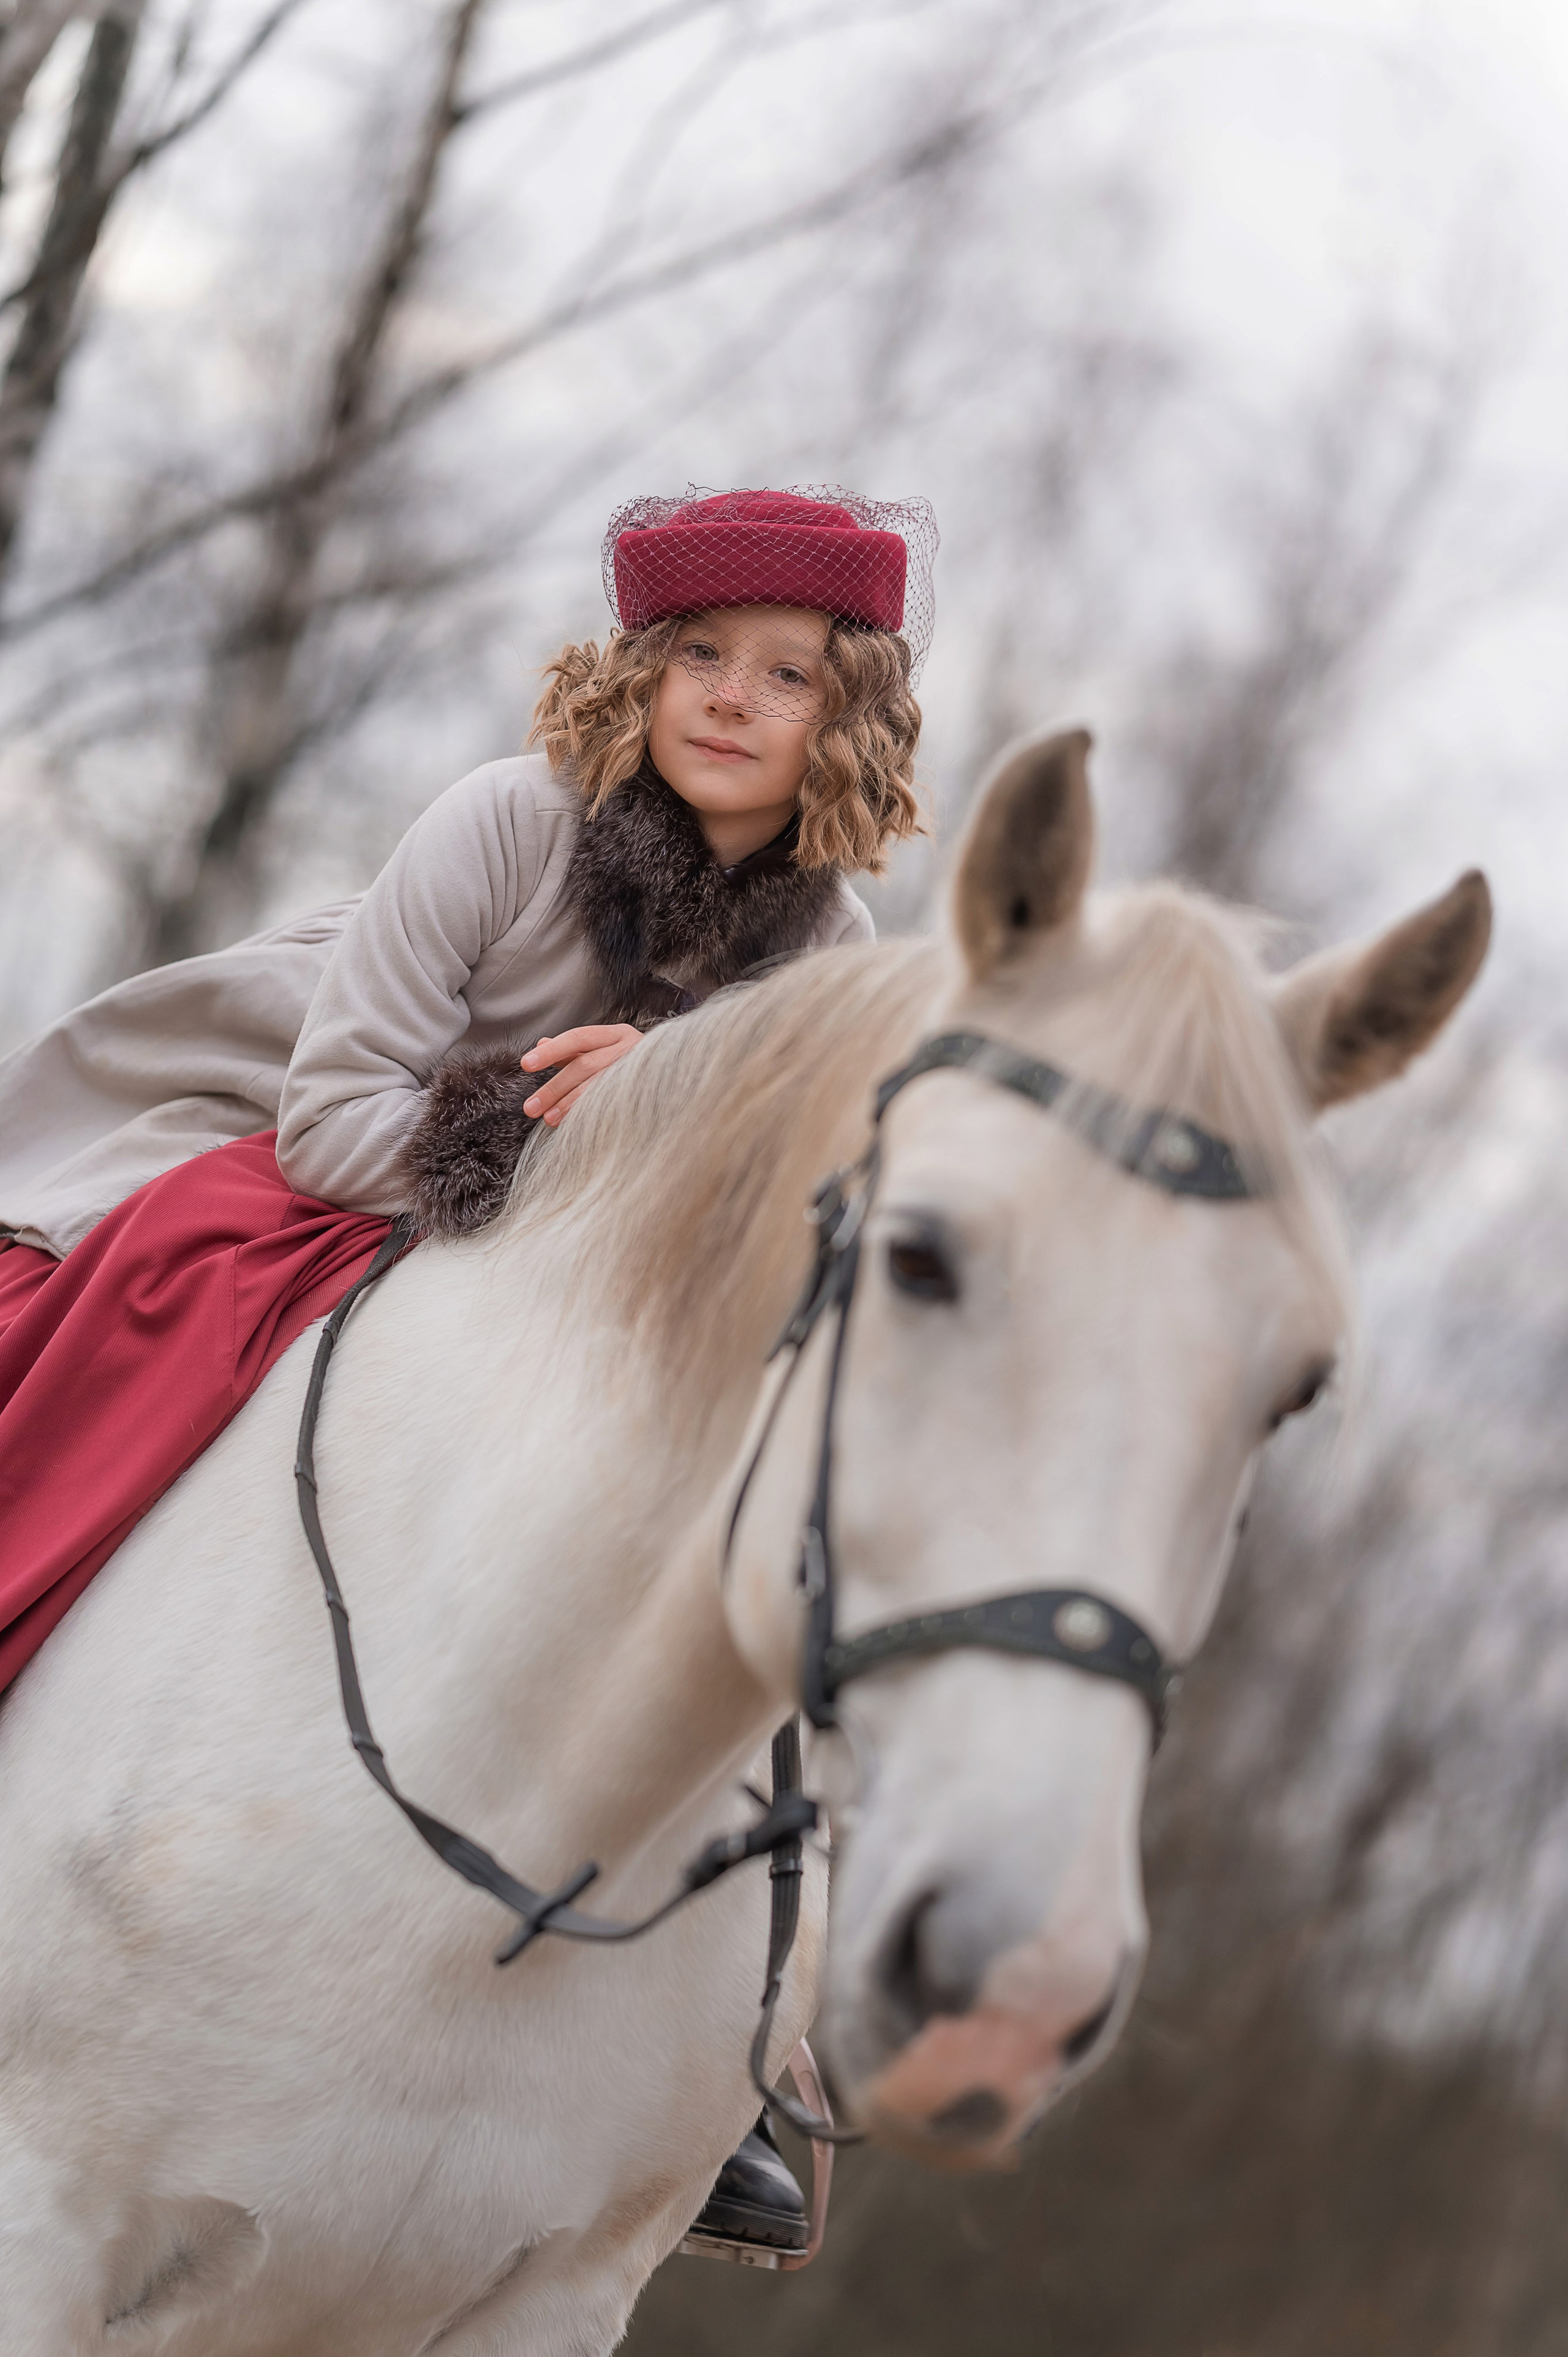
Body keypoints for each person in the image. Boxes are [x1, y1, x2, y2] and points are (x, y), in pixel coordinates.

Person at [0, 483, 936, 2253]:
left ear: (851, 719)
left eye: (791, 676)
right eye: (704, 659)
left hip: (611, 1317)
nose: (734, 699)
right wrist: (573, 1136)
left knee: (762, 1503)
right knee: (160, 1286)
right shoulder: (510, 824)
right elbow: (339, 1122)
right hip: (331, 1163)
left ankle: (728, 2042)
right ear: (645, 673)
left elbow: (780, 1251)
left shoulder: (836, 958)